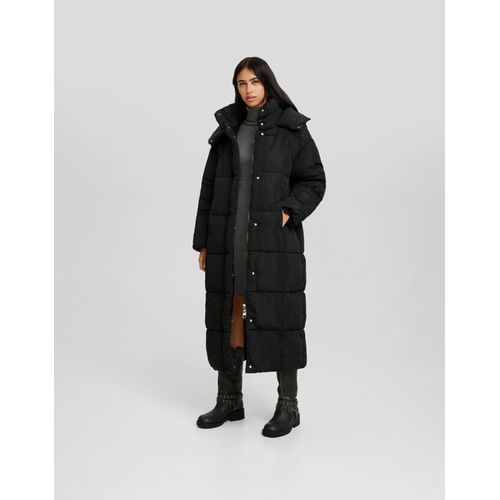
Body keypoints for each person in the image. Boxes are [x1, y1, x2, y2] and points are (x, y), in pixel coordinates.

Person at [192, 56, 326, 438]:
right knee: (229, 315)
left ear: (267, 83)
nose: (248, 89)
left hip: (273, 243)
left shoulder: (291, 128)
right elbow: (208, 189)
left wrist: (288, 212)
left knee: (280, 316)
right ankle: (229, 399)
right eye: (241, 83)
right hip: (229, 239)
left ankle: (288, 405)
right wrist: (204, 242)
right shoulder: (227, 130)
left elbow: (314, 180)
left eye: (254, 81)